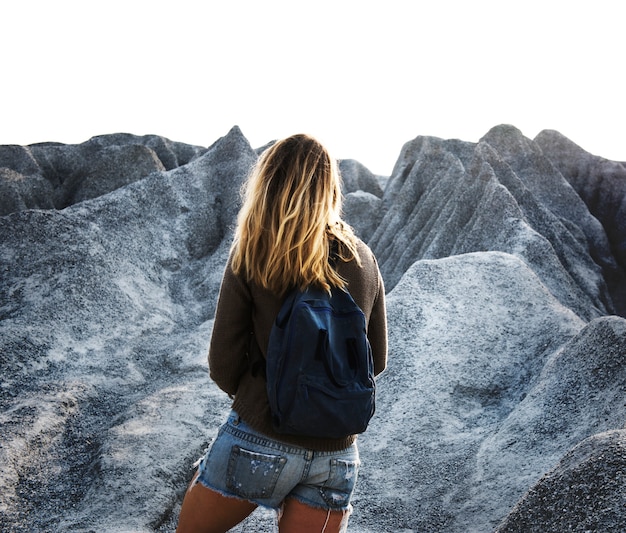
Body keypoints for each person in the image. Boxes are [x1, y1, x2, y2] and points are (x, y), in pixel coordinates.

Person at [177, 134, 387, 533]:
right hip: (336, 456)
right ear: (329, 187)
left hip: (258, 438)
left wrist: (265, 401)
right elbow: (376, 358)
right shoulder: (363, 258)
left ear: (269, 182)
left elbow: (222, 362)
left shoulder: (256, 249)